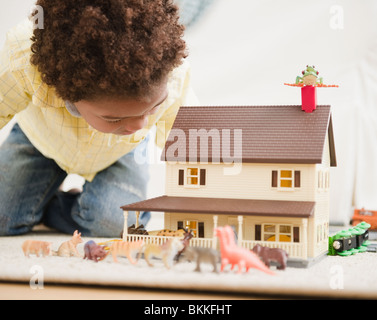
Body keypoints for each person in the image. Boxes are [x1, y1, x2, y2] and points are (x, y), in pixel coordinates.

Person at [0, 0, 192, 237]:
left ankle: (48, 206)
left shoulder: (172, 73)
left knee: (114, 223)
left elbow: (188, 146)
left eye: (153, 108)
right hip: (40, 140)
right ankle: (32, 202)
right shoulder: (25, 61)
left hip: (121, 152)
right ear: (67, 91)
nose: (139, 125)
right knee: (3, 217)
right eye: (114, 118)